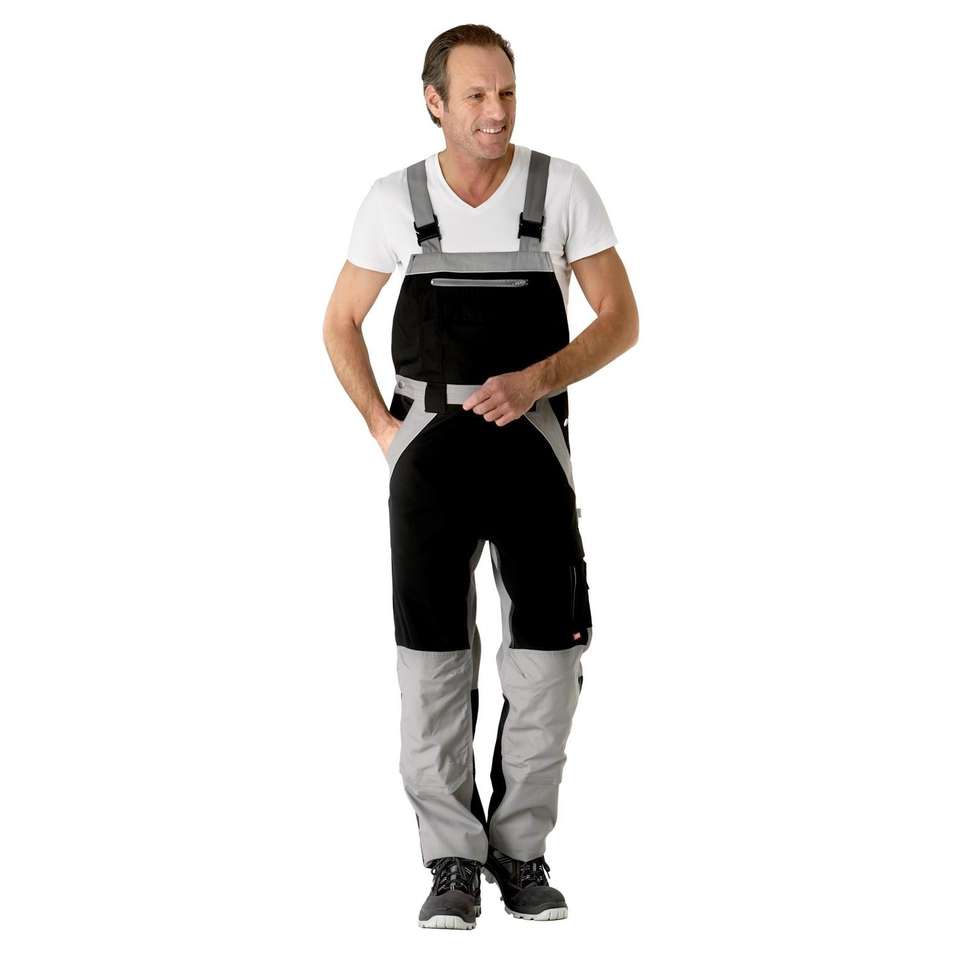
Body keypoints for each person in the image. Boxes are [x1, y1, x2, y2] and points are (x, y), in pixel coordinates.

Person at [323, 24, 639, 929]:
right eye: (475, 96)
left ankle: (519, 850)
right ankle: (452, 859)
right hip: (428, 456)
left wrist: (538, 379)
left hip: (532, 450)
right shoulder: (395, 200)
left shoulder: (561, 189)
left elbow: (620, 319)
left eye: (506, 93)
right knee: (432, 657)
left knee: (548, 654)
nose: (495, 112)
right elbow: (339, 322)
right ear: (435, 102)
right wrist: (384, 430)